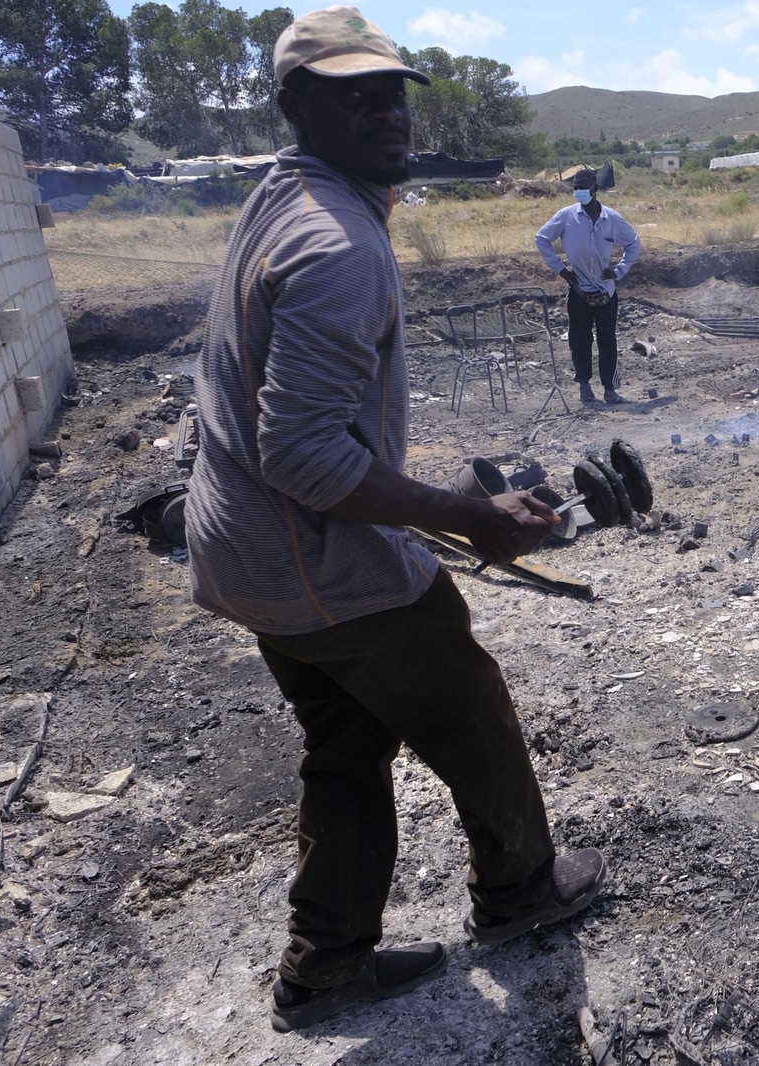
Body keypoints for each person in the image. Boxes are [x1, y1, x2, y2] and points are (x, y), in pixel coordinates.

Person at [183, 6, 606, 1033]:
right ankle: (521, 894)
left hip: (239, 549)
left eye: (390, 92)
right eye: (351, 95)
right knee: (471, 709)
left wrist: (430, 498)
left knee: (347, 736)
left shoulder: (284, 197)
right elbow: (305, 453)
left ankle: (325, 961)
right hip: (309, 557)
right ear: (294, 105)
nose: (385, 114)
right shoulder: (338, 243)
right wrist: (467, 517)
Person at [536, 170, 642, 404]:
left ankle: (610, 390)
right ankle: (584, 387)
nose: (578, 192)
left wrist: (619, 270)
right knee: (579, 340)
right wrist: (561, 270)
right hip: (578, 291)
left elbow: (634, 244)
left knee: (608, 340)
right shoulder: (566, 217)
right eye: (575, 188)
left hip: (606, 292)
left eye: (583, 187)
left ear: (595, 188)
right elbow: (541, 238)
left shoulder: (612, 219)